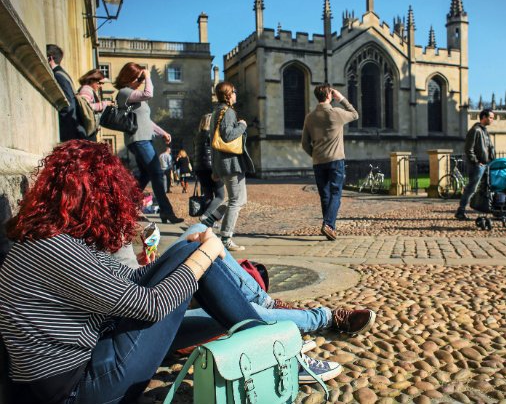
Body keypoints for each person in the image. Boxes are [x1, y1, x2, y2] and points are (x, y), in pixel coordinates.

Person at [0, 140, 374, 404]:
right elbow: (146, 306)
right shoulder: (53, 249)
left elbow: (124, 286)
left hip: (97, 352)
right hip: (81, 390)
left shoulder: (51, 240)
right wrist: (202, 261)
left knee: (193, 251)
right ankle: (283, 353)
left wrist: (193, 268)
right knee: (197, 253)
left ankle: (271, 337)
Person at [114, 62, 183, 224]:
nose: (140, 81)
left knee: (145, 175)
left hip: (144, 138)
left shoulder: (134, 95)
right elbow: (149, 94)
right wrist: (148, 77)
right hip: (138, 140)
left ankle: (125, 207)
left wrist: (163, 133)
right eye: (138, 78)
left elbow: (147, 121)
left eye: (141, 78)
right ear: (129, 77)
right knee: (157, 174)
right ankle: (166, 212)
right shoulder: (124, 93)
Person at [301, 84, 359, 240]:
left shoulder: (310, 117)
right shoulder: (337, 113)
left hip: (318, 162)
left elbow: (305, 144)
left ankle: (329, 227)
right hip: (335, 160)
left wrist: (315, 154)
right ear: (329, 96)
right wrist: (341, 99)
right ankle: (328, 225)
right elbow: (355, 114)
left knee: (325, 195)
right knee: (335, 193)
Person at [211, 82, 253, 251]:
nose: (236, 95)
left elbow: (213, 141)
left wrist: (215, 168)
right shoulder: (227, 112)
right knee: (236, 201)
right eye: (234, 92)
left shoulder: (216, 112)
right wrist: (242, 125)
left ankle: (209, 221)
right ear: (228, 95)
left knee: (240, 199)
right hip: (231, 163)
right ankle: (226, 238)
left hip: (225, 163)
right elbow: (227, 136)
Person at [455, 109, 496, 220]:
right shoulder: (475, 130)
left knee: (487, 188)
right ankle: (461, 211)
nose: (492, 120)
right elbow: (469, 149)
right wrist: (476, 162)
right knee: (471, 188)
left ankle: (489, 209)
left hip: (486, 164)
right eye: (491, 117)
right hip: (478, 166)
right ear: (483, 117)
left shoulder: (484, 131)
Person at [46, 44, 87, 142]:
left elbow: (69, 105)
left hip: (69, 129)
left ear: (50, 58)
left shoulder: (58, 75)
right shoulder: (63, 74)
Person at [194, 113, 226, 227]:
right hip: (211, 168)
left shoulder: (198, 135)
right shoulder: (211, 135)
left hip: (200, 169)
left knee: (208, 196)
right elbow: (217, 152)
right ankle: (206, 215)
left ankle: (208, 223)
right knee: (220, 196)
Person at [77, 69, 114, 141]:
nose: (100, 86)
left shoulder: (88, 89)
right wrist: (104, 104)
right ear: (91, 80)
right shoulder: (86, 90)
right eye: (99, 83)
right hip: (87, 131)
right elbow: (86, 107)